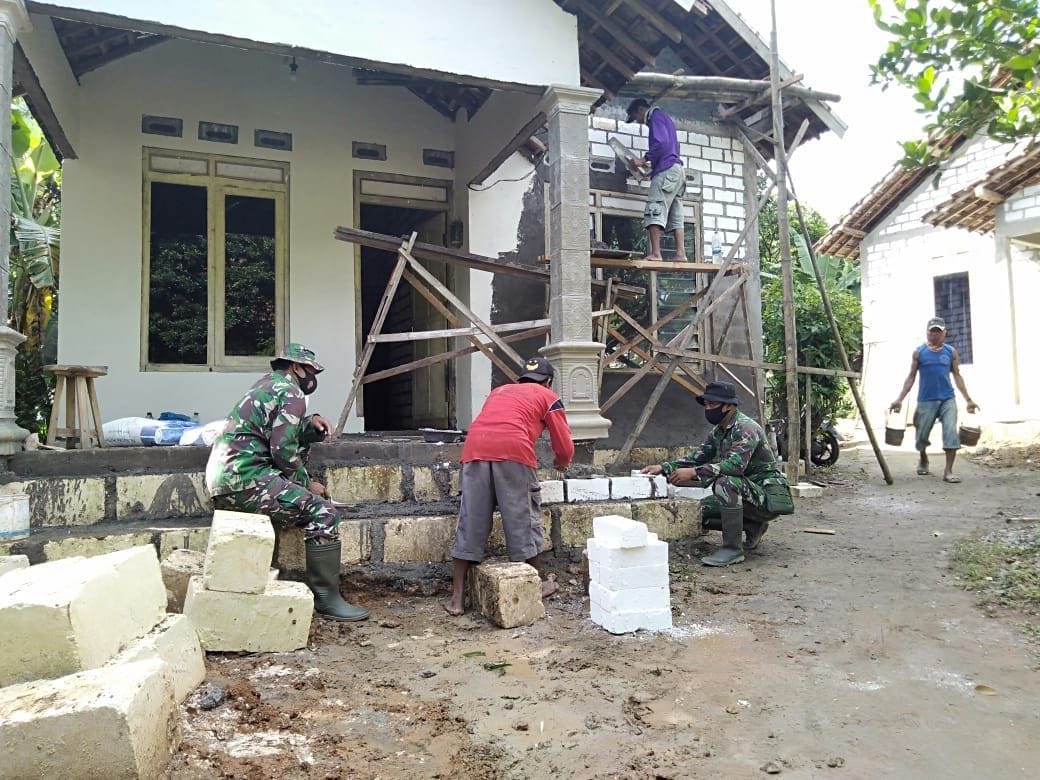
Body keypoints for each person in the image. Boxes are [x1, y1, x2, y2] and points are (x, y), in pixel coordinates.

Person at [205, 343, 369, 622]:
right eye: (311, 370)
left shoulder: (265, 386)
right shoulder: (291, 391)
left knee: (302, 500)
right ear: (296, 367)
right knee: (324, 513)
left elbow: (276, 432)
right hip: (246, 481)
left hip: (226, 482)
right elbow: (282, 450)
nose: (313, 377)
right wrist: (307, 483)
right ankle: (328, 600)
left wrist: (310, 423)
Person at [445, 356, 575, 616]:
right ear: (548, 382)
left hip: (475, 449)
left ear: (522, 378)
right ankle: (533, 585)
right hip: (514, 451)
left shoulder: (499, 391)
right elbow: (564, 444)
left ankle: (457, 600)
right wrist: (562, 463)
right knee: (522, 519)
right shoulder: (547, 396)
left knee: (471, 520)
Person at [641, 381, 790, 567]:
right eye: (706, 404)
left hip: (764, 494)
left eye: (713, 404)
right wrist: (664, 467)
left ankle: (732, 549)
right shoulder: (719, 431)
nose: (708, 408)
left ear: (729, 406)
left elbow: (735, 466)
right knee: (698, 512)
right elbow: (697, 457)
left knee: (725, 483)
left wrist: (694, 473)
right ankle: (752, 525)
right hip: (744, 491)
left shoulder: (746, 429)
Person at [889, 316, 980, 483]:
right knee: (921, 435)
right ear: (927, 333)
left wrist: (968, 400)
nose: (935, 335)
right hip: (926, 400)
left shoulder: (950, 352)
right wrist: (899, 399)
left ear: (944, 333)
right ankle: (923, 458)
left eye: (939, 332)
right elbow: (911, 377)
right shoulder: (919, 353)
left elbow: (957, 375)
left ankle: (948, 471)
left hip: (947, 399)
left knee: (950, 432)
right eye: (933, 332)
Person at [626, 97, 688, 263]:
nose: (640, 122)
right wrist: (653, 167)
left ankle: (656, 253)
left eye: (636, 117)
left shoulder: (655, 116)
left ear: (640, 110)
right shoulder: (665, 118)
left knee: (654, 207)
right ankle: (681, 254)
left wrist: (643, 159)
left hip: (667, 170)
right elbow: (667, 146)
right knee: (675, 212)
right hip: (677, 170)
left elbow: (661, 143)